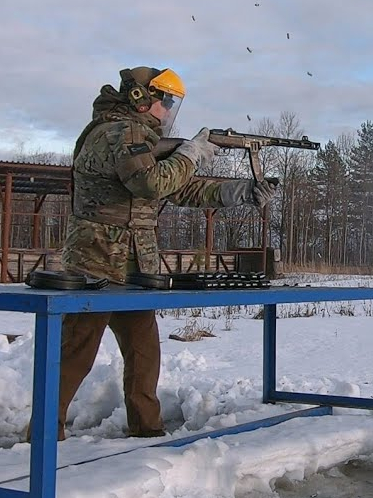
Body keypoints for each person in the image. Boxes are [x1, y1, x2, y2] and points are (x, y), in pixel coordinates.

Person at [43, 66, 277, 440]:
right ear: (140, 98)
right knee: (76, 354)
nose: (168, 111)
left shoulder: (140, 138)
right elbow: (152, 183)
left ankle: (147, 433)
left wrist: (241, 192)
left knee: (144, 355)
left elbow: (181, 189)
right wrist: (193, 153)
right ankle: (42, 434)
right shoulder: (119, 133)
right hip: (97, 261)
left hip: (136, 267)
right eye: (165, 101)